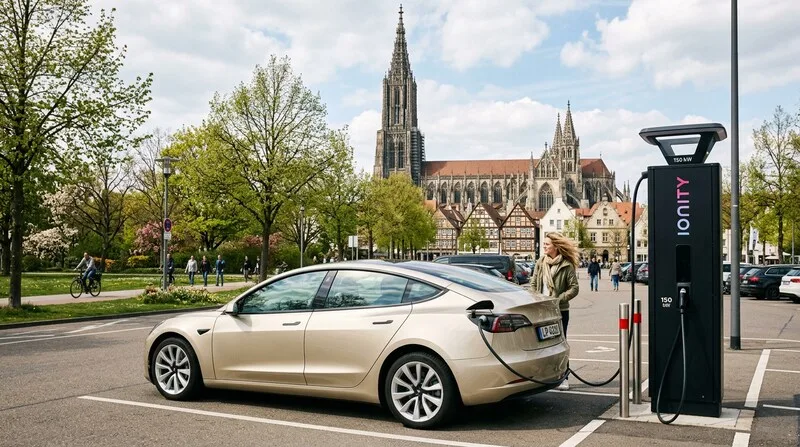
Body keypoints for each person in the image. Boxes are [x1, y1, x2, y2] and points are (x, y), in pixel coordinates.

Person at [530, 232, 580, 390]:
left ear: (556, 247)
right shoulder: (540, 262)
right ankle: (543, 376)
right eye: (544, 244)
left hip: (559, 310)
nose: (544, 246)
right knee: (541, 344)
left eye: (547, 244)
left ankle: (564, 377)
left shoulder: (566, 265)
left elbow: (574, 288)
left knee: (560, 343)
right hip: (541, 310)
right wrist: (535, 297)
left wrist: (559, 299)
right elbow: (533, 282)